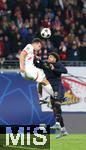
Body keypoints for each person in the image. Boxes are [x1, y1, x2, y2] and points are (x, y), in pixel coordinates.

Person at [34, 52, 68, 137]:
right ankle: (63, 130)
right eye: (48, 57)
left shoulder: (58, 64)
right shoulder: (46, 65)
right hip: (50, 88)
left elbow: (65, 71)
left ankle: (57, 124)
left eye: (51, 57)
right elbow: (38, 65)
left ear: (55, 59)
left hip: (58, 87)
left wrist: (54, 69)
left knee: (57, 105)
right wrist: (36, 59)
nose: (49, 58)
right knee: (55, 109)